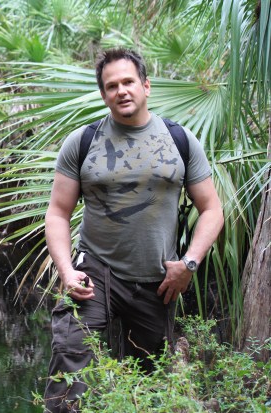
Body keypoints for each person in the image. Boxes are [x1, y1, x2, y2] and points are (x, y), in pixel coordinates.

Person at [42, 48, 224, 413]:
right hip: (95, 272)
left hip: (157, 280)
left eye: (128, 82)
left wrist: (188, 264)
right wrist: (66, 271)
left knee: (148, 380)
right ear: (103, 94)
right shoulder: (83, 141)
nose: (121, 91)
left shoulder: (179, 139)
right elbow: (58, 213)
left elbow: (212, 209)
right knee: (70, 354)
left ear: (146, 86)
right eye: (111, 86)